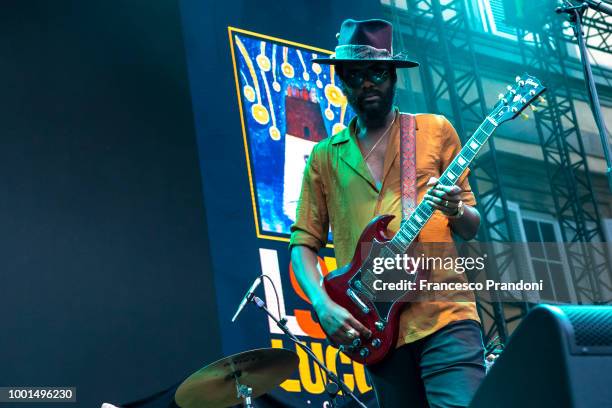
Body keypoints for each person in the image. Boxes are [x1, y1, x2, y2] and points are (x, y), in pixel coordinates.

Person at [289, 19, 486, 407]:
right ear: (341, 81)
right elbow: (303, 245)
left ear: (394, 75)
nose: (367, 83)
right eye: (354, 74)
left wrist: (456, 207)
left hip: (444, 315)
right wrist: (322, 304)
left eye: (377, 71)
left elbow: (470, 226)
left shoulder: (434, 131)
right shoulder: (324, 157)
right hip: (374, 329)